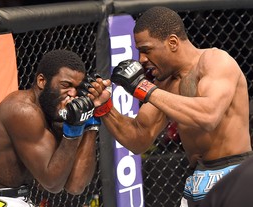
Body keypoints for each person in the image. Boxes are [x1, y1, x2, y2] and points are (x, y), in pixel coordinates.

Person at [89, 6, 252, 207]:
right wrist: (106, 107)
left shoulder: (215, 62)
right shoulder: (165, 84)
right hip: (196, 182)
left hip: (234, 174)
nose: (142, 60)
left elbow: (209, 116)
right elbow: (139, 137)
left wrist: (145, 89)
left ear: (172, 42)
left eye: (146, 50)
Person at [0, 49, 102, 207]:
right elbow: (52, 183)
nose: (72, 94)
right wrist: (74, 128)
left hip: (16, 199)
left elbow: (76, 185)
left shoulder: (53, 115)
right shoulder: (22, 110)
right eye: (65, 85)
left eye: (77, 88)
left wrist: (90, 121)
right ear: (42, 81)